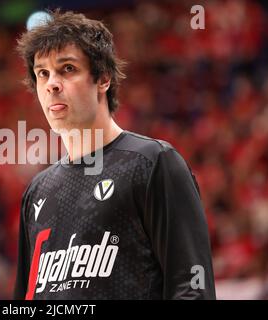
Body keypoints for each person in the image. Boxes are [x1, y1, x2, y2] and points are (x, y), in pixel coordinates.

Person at [13, 9, 216, 300]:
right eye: (42, 73)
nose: (51, 83)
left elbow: (193, 288)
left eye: (67, 69)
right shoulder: (37, 191)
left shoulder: (152, 163)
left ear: (103, 79)